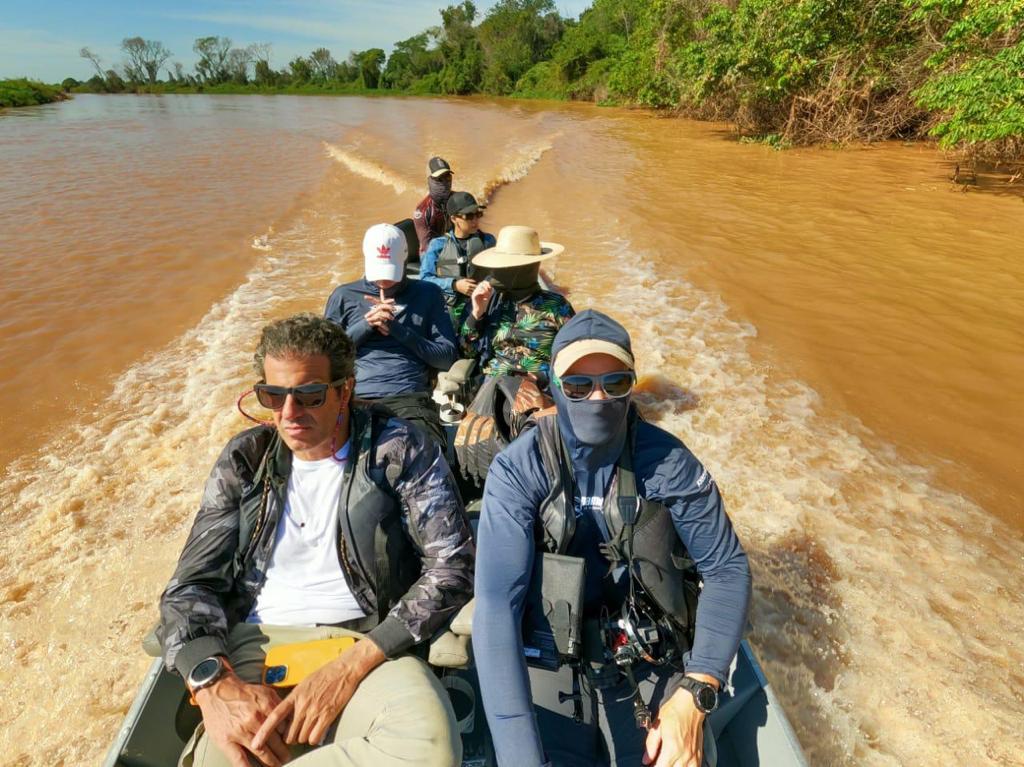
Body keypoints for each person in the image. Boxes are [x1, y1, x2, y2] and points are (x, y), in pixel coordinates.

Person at [158, 313, 474, 767]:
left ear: (344, 390)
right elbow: (189, 587)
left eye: (308, 395)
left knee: (429, 750)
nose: (288, 414)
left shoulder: (398, 449)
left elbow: (453, 565)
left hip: (368, 646)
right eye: (273, 395)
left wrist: (353, 665)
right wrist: (214, 686)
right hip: (254, 647)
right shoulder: (246, 460)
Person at [472, 309, 752, 767]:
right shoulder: (519, 469)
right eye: (579, 387)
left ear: (632, 386)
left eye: (615, 383)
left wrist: (696, 691)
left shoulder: (668, 462)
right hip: (549, 652)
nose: (597, 398)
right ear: (555, 388)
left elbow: (726, 568)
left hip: (645, 651)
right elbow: (497, 606)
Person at [324, 223, 457, 446]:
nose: (384, 281)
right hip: (354, 398)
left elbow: (446, 358)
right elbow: (324, 358)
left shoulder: (427, 293)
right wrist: (365, 325)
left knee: (422, 456)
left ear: (405, 258)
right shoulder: (343, 296)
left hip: (409, 398)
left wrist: (399, 331)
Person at [459, 225, 575, 381]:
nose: (494, 272)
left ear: (520, 269)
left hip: (539, 388)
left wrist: (539, 378)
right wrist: (476, 313)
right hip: (495, 387)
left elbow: (573, 358)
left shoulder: (555, 306)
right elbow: (467, 352)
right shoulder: (493, 302)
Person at [420, 191, 496, 326]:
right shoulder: (438, 245)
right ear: (454, 219)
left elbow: (499, 272)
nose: (475, 220)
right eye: (469, 216)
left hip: (484, 304)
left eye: (477, 214)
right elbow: (424, 278)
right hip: (450, 308)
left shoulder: (489, 241)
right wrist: (454, 285)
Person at [413, 156, 453, 256]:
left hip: (454, 246)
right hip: (430, 254)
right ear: (430, 180)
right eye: (440, 178)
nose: (445, 181)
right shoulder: (423, 211)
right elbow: (427, 247)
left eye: (447, 176)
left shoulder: (457, 200)